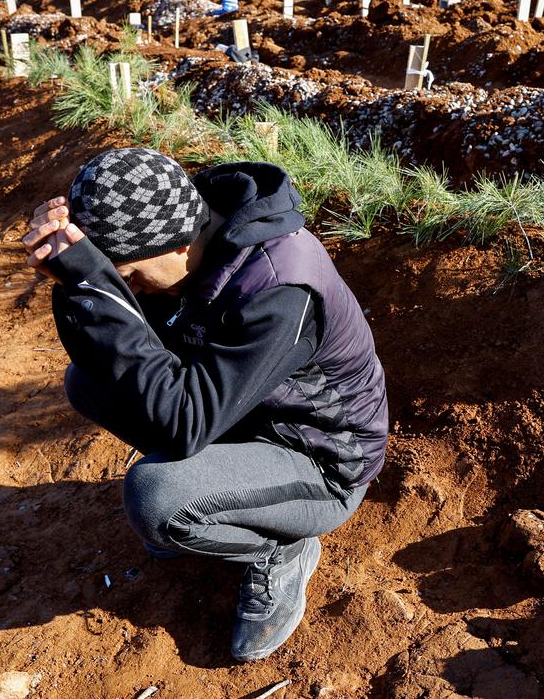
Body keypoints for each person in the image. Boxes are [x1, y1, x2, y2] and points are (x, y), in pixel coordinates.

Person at [22, 149, 388, 663]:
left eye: (129, 276)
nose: (129, 289)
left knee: (156, 497)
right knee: (90, 381)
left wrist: (94, 288)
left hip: (323, 462)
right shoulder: (188, 235)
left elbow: (183, 424)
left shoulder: (277, 285)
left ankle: (283, 545)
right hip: (243, 412)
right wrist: (80, 287)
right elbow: (120, 345)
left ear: (176, 246)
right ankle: (228, 494)